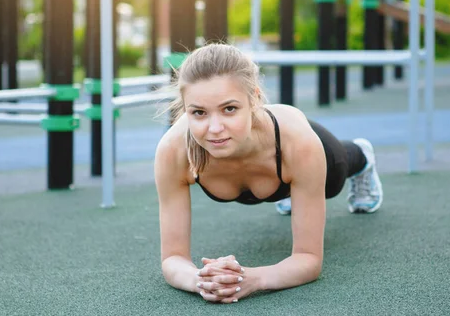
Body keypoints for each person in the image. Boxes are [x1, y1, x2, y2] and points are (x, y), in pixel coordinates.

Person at [154, 43, 383, 304]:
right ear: (184, 109)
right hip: (276, 173)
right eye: (199, 112)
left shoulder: (299, 144)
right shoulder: (173, 151)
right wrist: (201, 280)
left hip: (302, 156)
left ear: (253, 98)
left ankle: (362, 157)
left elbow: (309, 260)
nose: (215, 128)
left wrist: (253, 278)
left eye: (229, 108)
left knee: (334, 181)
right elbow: (173, 259)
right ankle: (292, 193)